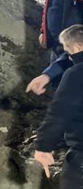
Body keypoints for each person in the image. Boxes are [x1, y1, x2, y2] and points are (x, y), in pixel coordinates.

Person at [27, 0, 83, 96]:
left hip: (74, 52)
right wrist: (44, 32)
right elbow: (49, 8)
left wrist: (50, 73)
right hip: (59, 47)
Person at [32, 24, 82, 188]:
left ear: (78, 46)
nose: (69, 56)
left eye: (69, 51)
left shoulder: (75, 74)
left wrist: (43, 147)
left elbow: (60, 113)